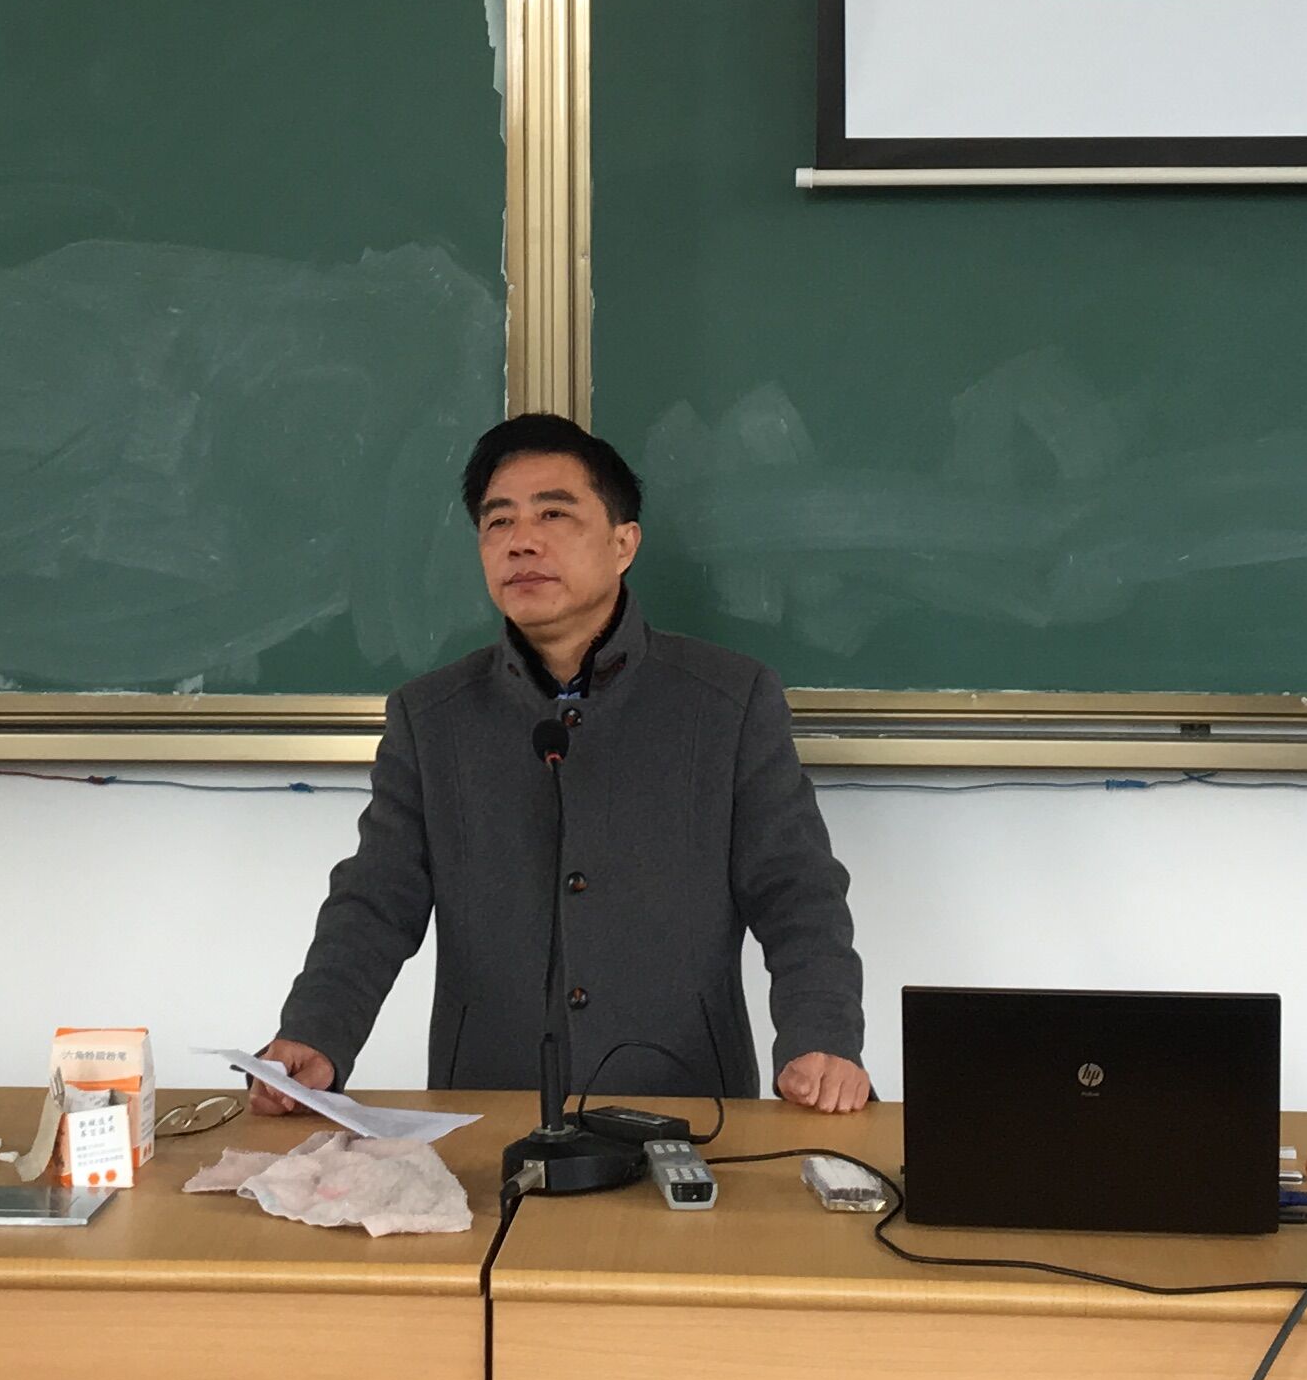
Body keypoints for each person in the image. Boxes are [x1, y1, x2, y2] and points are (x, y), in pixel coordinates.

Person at [257, 413, 873, 1114]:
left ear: (623, 543)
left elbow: (797, 893)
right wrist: (317, 1032)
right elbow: (375, 901)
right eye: (498, 522)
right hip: (489, 1105)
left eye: (554, 514)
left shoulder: (727, 701)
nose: (521, 541)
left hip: (688, 1107)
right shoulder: (431, 718)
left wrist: (822, 1037)